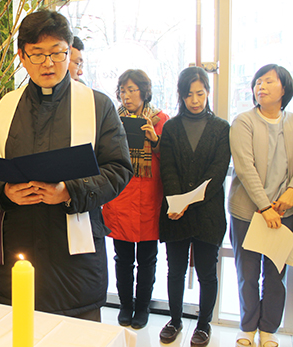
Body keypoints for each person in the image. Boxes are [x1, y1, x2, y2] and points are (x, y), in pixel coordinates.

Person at [0, 10, 133, 321]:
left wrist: (69, 191)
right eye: (38, 54)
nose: (48, 63)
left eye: (58, 53)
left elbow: (119, 168)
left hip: (75, 264)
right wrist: (5, 192)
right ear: (22, 56)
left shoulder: (97, 106)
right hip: (16, 249)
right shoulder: (3, 108)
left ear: (70, 51)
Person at [158, 66, 230, 346]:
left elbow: (218, 170)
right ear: (182, 96)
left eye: (200, 93)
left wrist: (192, 200)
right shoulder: (172, 127)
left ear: (208, 93)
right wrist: (179, 200)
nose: (195, 100)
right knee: (174, 270)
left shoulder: (222, 128)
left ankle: (203, 325)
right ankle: (174, 320)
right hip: (175, 212)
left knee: (206, 273)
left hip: (208, 213)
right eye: (189, 95)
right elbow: (168, 168)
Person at [228, 64, 293, 347]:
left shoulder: (291, 123)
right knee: (248, 273)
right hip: (248, 211)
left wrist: (291, 191)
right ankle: (247, 327)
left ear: (284, 90)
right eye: (258, 82)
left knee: (276, 274)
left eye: (269, 81)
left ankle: (268, 330)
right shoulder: (243, 121)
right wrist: (265, 206)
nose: (260, 86)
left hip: (284, 212)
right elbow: (245, 167)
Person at [102, 69, 169, 329]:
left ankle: (142, 308)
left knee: (148, 259)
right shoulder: (111, 119)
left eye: (132, 89)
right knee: (123, 258)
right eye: (122, 90)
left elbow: (170, 159)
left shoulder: (160, 118)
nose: (126, 95)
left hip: (150, 198)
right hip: (121, 196)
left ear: (144, 91)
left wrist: (155, 140)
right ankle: (125, 306)